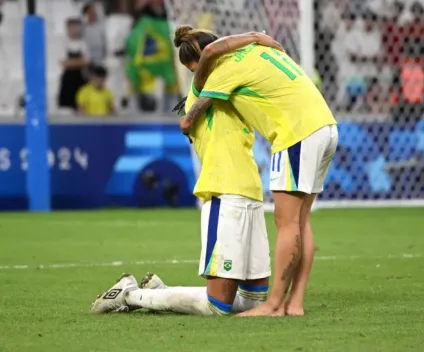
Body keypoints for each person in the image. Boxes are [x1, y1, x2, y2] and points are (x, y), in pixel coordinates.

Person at [91, 31, 283, 315]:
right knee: (217, 307)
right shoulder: (205, 85)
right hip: (225, 192)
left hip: (251, 194)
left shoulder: (226, 84)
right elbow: (211, 56)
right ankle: (130, 295)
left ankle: (160, 293)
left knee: (252, 303)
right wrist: (254, 37)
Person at [177, 26, 338, 316]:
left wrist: (188, 121)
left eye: (195, 67)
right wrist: (254, 38)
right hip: (325, 127)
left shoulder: (223, 67)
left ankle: (274, 304)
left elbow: (191, 117)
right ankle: (295, 303)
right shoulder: (258, 52)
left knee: (286, 222)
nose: (197, 74)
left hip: (296, 133)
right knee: (301, 222)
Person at [58, 18, 89, 111]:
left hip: (81, 78)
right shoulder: (63, 43)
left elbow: (86, 62)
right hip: (68, 79)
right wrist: (79, 61)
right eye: (72, 27)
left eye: (76, 27)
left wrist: (72, 62)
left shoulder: (83, 44)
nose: (75, 30)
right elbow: (65, 63)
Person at [82, 2, 106, 67]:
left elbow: (104, 41)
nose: (93, 14)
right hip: (87, 58)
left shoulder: (100, 26)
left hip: (99, 58)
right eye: (90, 12)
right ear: (86, 14)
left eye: (94, 12)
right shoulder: (83, 28)